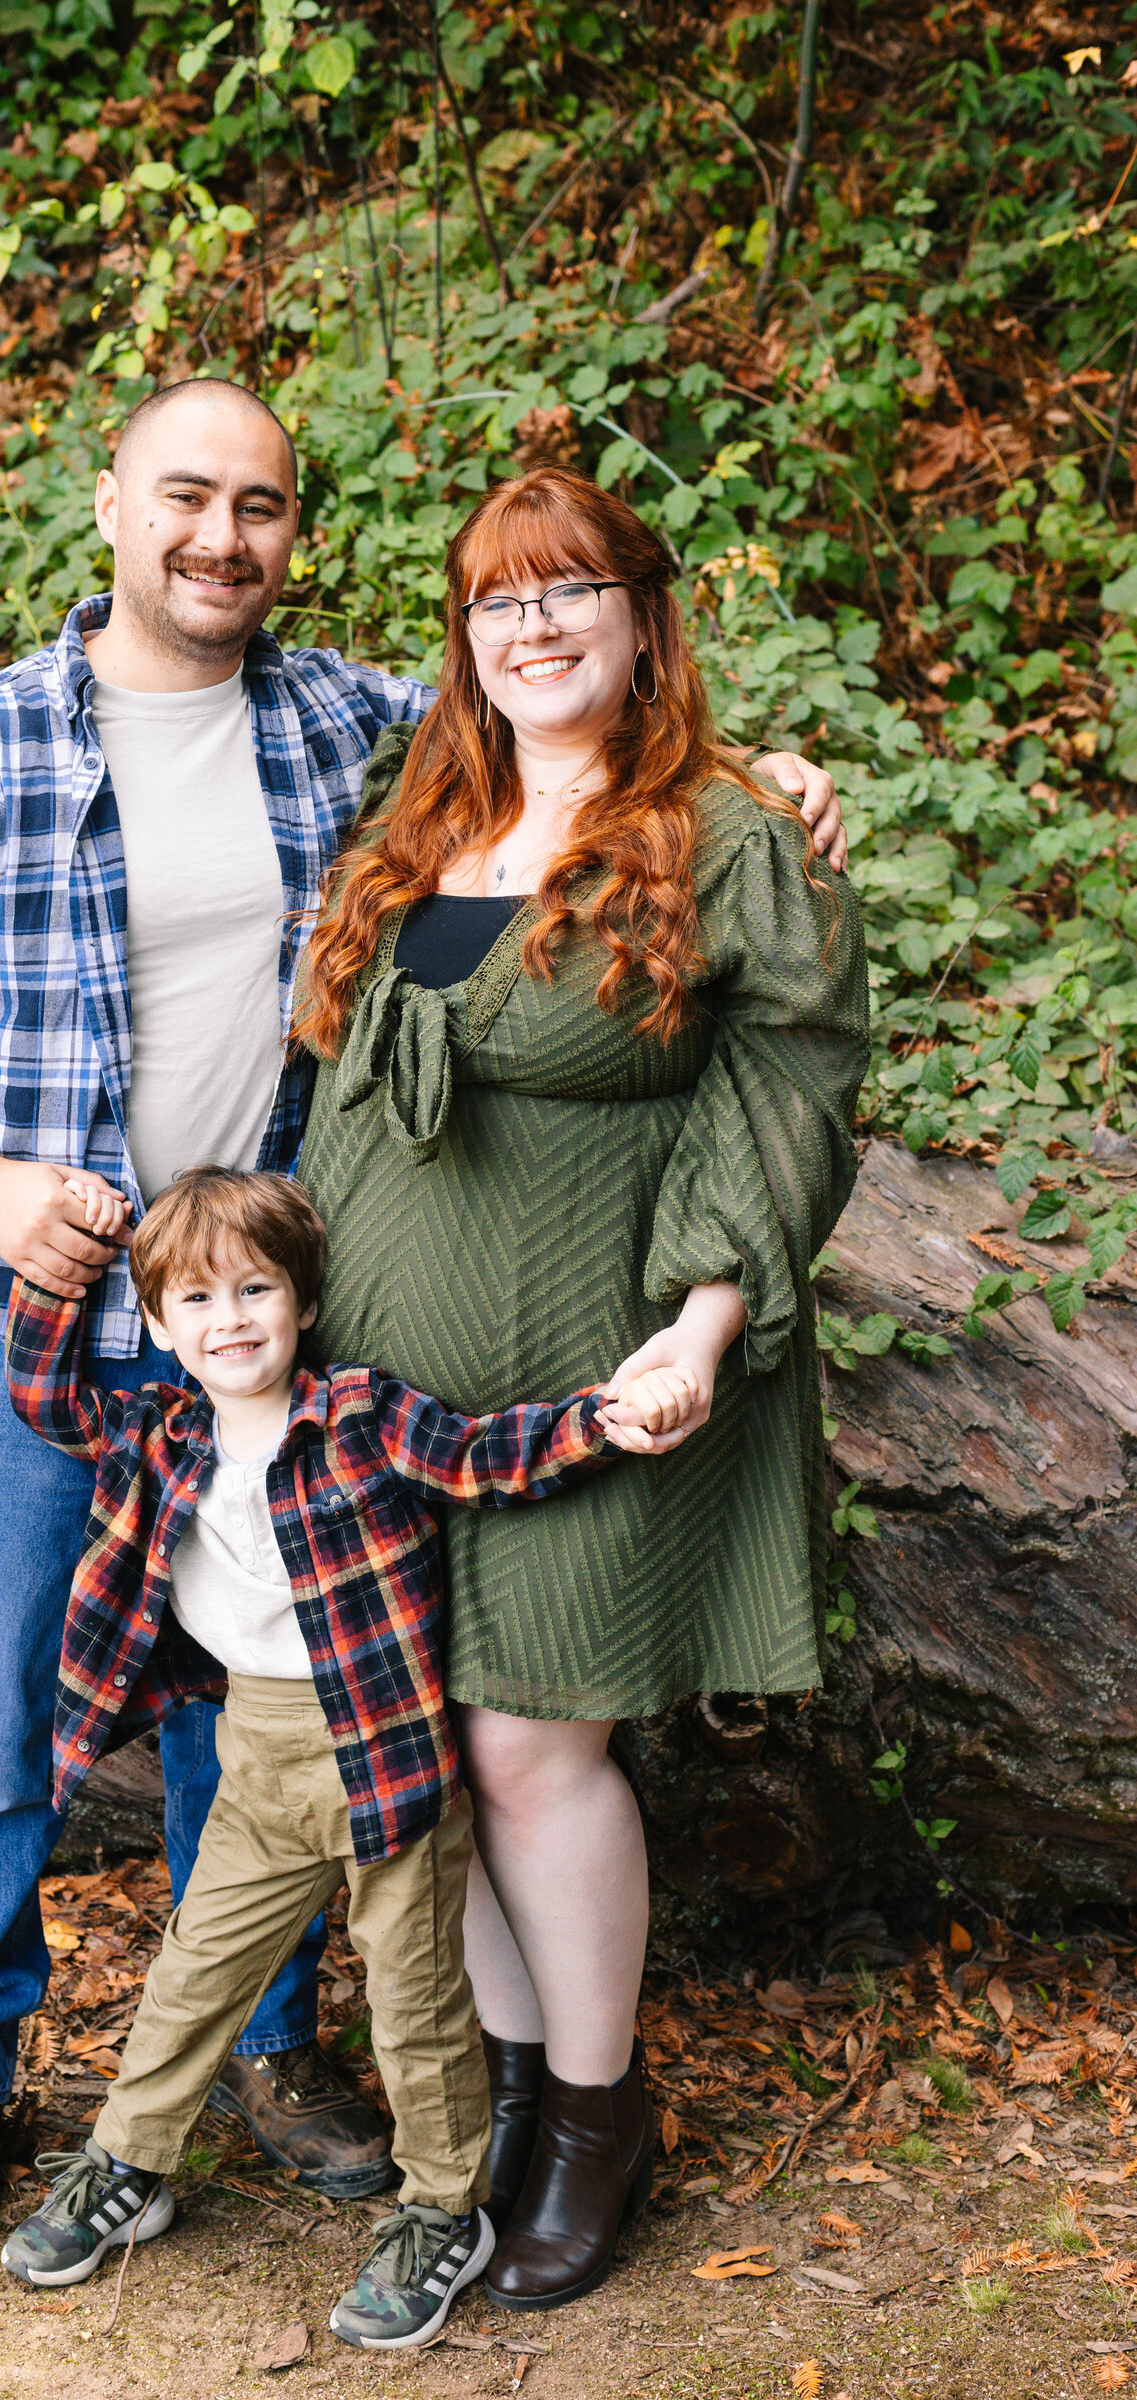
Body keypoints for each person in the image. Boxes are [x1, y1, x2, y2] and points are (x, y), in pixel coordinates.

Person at [0, 373, 848, 2265]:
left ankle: (278, 2052)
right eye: (185, 496)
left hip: (284, 1335)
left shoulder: (349, 731)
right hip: (44, 1327)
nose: (219, 537)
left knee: (269, 1712)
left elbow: (583, 727)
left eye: (260, 506)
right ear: (110, 500)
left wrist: (768, 782)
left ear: (293, 535)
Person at [291, 465, 870, 2313]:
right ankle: (521, 2097)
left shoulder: (722, 834)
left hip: (593, 1357)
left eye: (566, 594)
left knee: (544, 1740)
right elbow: (358, 1100)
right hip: (391, 1378)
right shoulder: (431, 820)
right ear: (464, 638)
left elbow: (784, 1095)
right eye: (493, 601)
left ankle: (603, 2114)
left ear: (639, 618)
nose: (528, 627)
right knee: (452, 1746)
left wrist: (702, 1330)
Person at [0, 1165, 688, 2347]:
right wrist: (70, 1268)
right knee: (195, 1970)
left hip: (382, 1756)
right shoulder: (157, 1435)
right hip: (256, 1752)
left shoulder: (362, 1417)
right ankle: (128, 2163)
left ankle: (442, 2212)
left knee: (415, 2001)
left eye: (257, 1289)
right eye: (198, 1303)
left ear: (302, 1302)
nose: (233, 1321)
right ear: (158, 1326)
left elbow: (483, 1456)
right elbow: (43, 1398)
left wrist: (602, 1423)